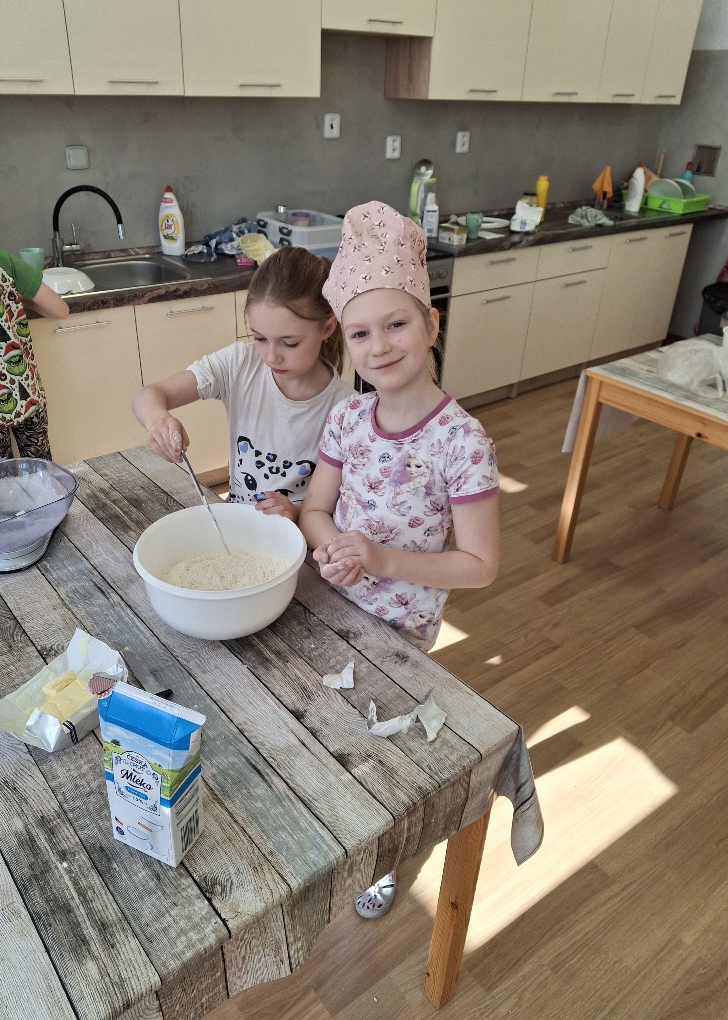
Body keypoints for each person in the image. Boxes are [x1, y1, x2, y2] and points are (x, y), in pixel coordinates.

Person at [298, 201, 500, 918]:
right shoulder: (347, 418)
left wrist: (381, 558)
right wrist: (330, 550)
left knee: (381, 749)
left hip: (400, 633)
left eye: (396, 324)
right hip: (330, 606)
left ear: (431, 325)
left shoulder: (462, 443)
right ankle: (330, 829)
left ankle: (379, 858)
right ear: (344, 344)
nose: (379, 346)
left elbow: (479, 564)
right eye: (360, 333)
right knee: (327, 729)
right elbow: (315, 511)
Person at [131, 245, 353, 521]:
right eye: (260, 338)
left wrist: (295, 512)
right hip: (236, 521)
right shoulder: (239, 364)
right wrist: (157, 419)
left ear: (327, 328)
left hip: (298, 538)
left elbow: (343, 509)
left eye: (289, 343)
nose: (271, 356)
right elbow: (148, 395)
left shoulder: (348, 410)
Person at [0, 203, 69, 466]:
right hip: (24, 391)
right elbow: (60, 310)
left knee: (0, 480)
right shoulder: (0, 261)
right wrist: (14, 298)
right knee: (42, 474)